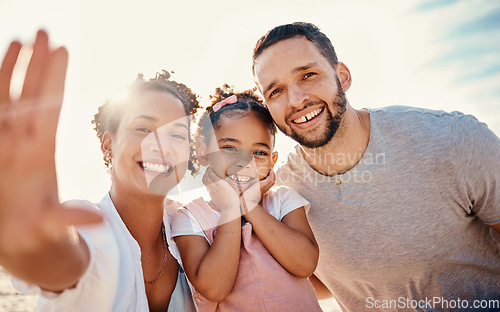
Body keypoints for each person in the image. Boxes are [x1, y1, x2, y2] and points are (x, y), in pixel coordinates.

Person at [251, 22, 500, 311]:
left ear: (342, 76)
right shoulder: (280, 196)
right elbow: (317, 279)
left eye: (308, 75)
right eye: (276, 91)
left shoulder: (452, 140)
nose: (296, 100)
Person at [0, 31, 198, 311]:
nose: (160, 146)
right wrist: (36, 247)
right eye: (142, 128)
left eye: (177, 135)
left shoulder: (195, 229)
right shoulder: (90, 226)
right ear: (109, 144)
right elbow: (64, 261)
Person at [171, 85, 323, 311]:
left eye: (259, 152)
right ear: (203, 152)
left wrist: (250, 206)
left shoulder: (282, 201)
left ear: (272, 161)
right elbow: (215, 288)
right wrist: (231, 210)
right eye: (230, 147)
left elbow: (305, 265)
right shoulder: (190, 218)